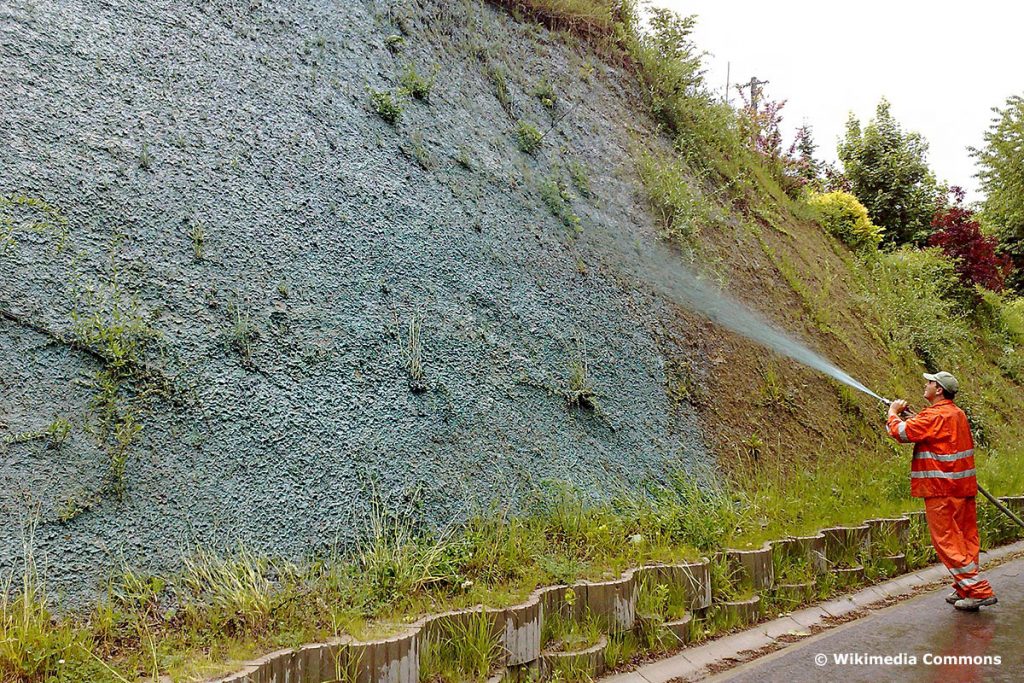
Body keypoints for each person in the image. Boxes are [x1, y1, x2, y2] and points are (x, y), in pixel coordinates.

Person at [887, 371, 997, 611]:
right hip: (962, 488)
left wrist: (893, 414)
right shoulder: (955, 414)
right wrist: (911, 417)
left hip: (941, 489)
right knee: (966, 539)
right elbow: (928, 430)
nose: (925, 385)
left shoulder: (935, 415)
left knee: (947, 541)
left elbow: (902, 433)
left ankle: (979, 591)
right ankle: (964, 586)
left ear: (939, 390)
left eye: (929, 382)